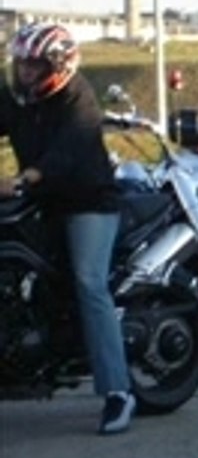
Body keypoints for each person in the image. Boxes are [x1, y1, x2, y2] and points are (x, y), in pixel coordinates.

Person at [0, 23, 136, 434]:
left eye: (35, 65)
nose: (26, 72)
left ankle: (118, 392)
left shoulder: (78, 98)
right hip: (41, 203)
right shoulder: (16, 98)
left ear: (58, 65)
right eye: (22, 64)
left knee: (89, 283)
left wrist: (26, 177)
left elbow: (69, 149)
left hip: (87, 202)